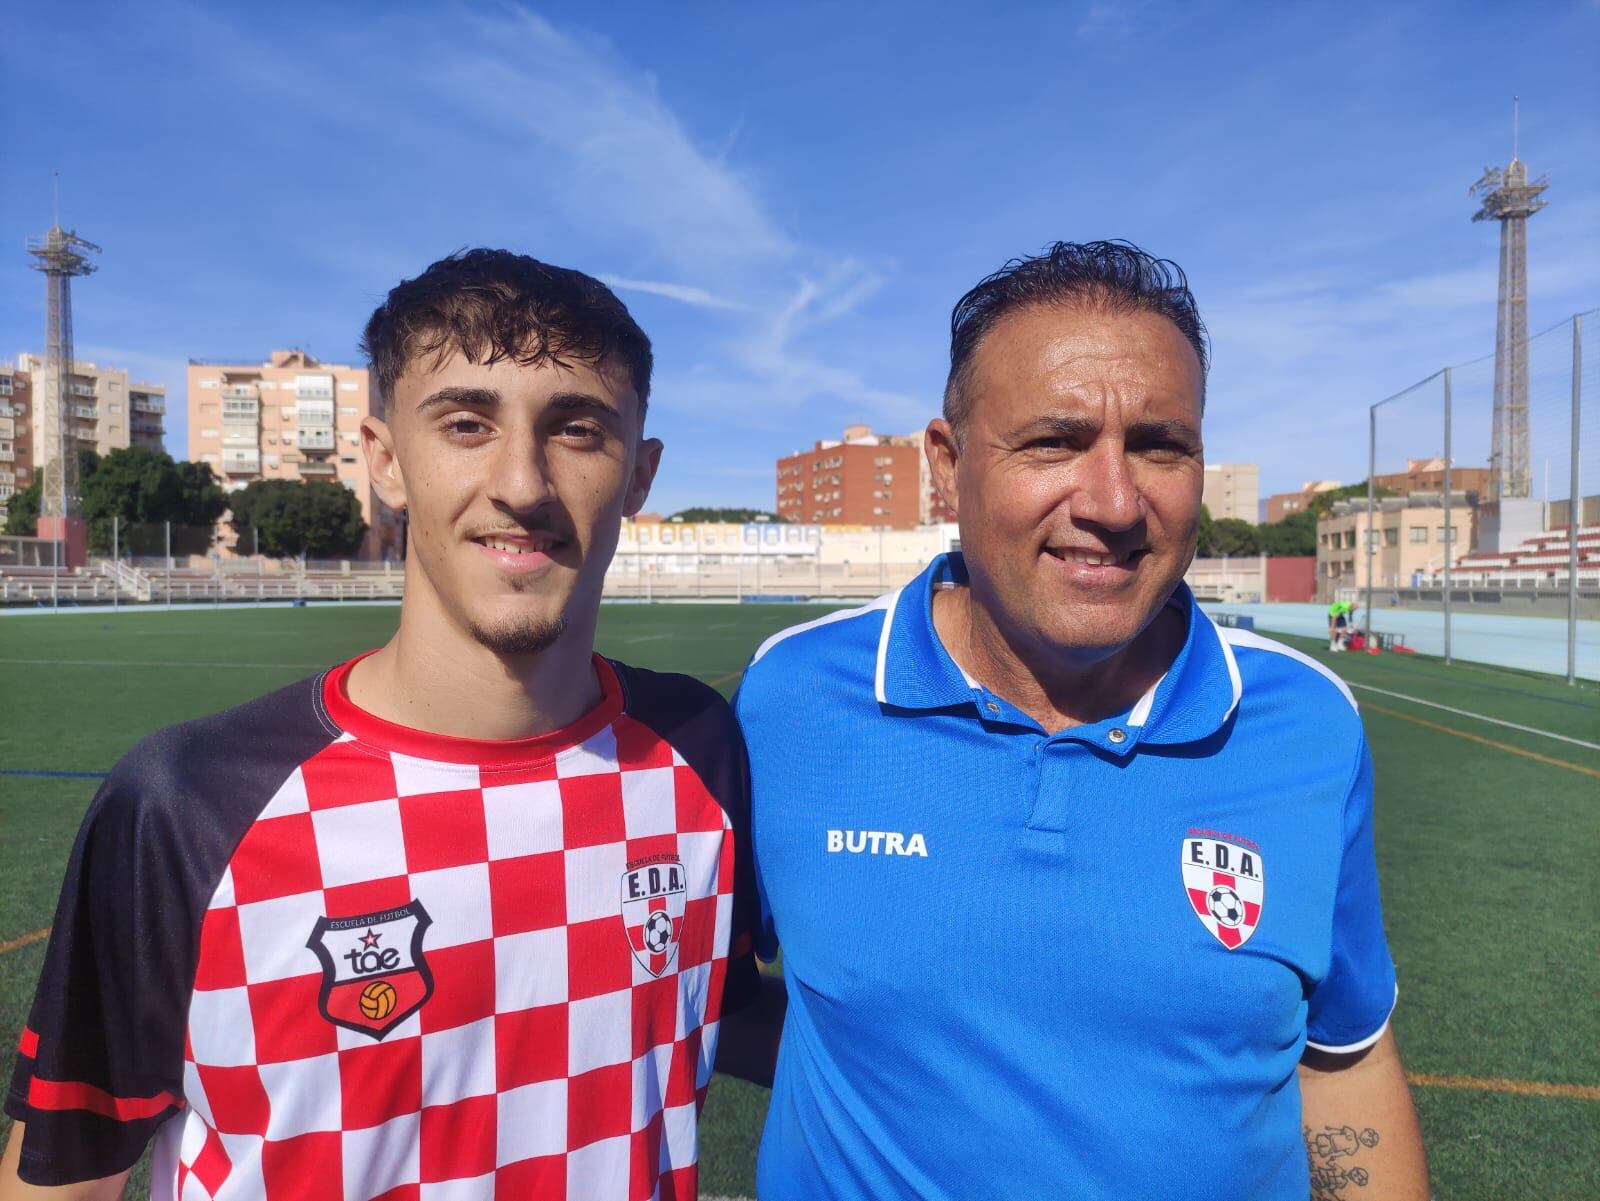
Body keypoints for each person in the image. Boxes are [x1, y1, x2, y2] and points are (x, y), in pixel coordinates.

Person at [3, 250, 760, 1200]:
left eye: (577, 429)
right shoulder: (189, 802)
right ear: (386, 460)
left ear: (640, 475)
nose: (520, 481)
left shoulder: (698, 747)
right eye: (467, 423)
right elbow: (63, 1176)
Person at [724, 241, 1428, 1199]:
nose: (1112, 502)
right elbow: (701, 996)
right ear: (947, 464)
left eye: (1158, 445)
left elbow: (1342, 1055)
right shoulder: (794, 700)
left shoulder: (1305, 723)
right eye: (1053, 440)